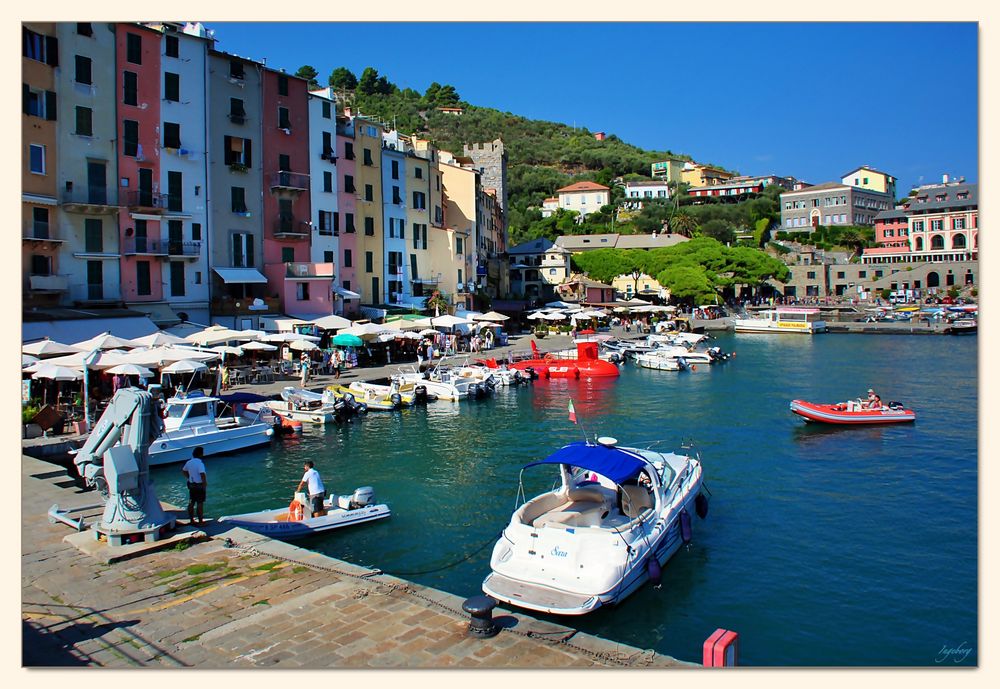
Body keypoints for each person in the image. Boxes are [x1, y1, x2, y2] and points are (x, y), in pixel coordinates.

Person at [181, 447, 207, 525]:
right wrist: (204, 483)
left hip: (191, 484)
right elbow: (202, 473)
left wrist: (189, 477)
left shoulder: (189, 462)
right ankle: (200, 521)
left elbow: (183, 471)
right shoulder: (200, 463)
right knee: (200, 503)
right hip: (199, 484)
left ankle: (192, 520)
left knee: (191, 502)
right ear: (201, 454)